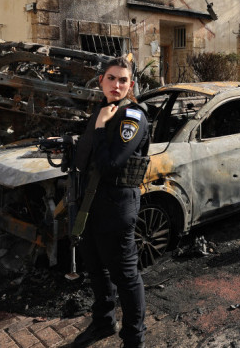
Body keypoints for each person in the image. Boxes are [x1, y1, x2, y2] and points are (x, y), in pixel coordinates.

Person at [71, 57, 149, 348]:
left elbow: (111, 164)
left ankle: (134, 338)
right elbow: (88, 157)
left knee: (126, 275)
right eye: (111, 78)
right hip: (91, 201)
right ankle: (103, 321)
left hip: (117, 205)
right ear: (101, 80)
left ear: (131, 85)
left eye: (123, 80)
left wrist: (102, 128)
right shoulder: (102, 110)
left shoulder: (132, 117)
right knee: (96, 266)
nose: (117, 84)